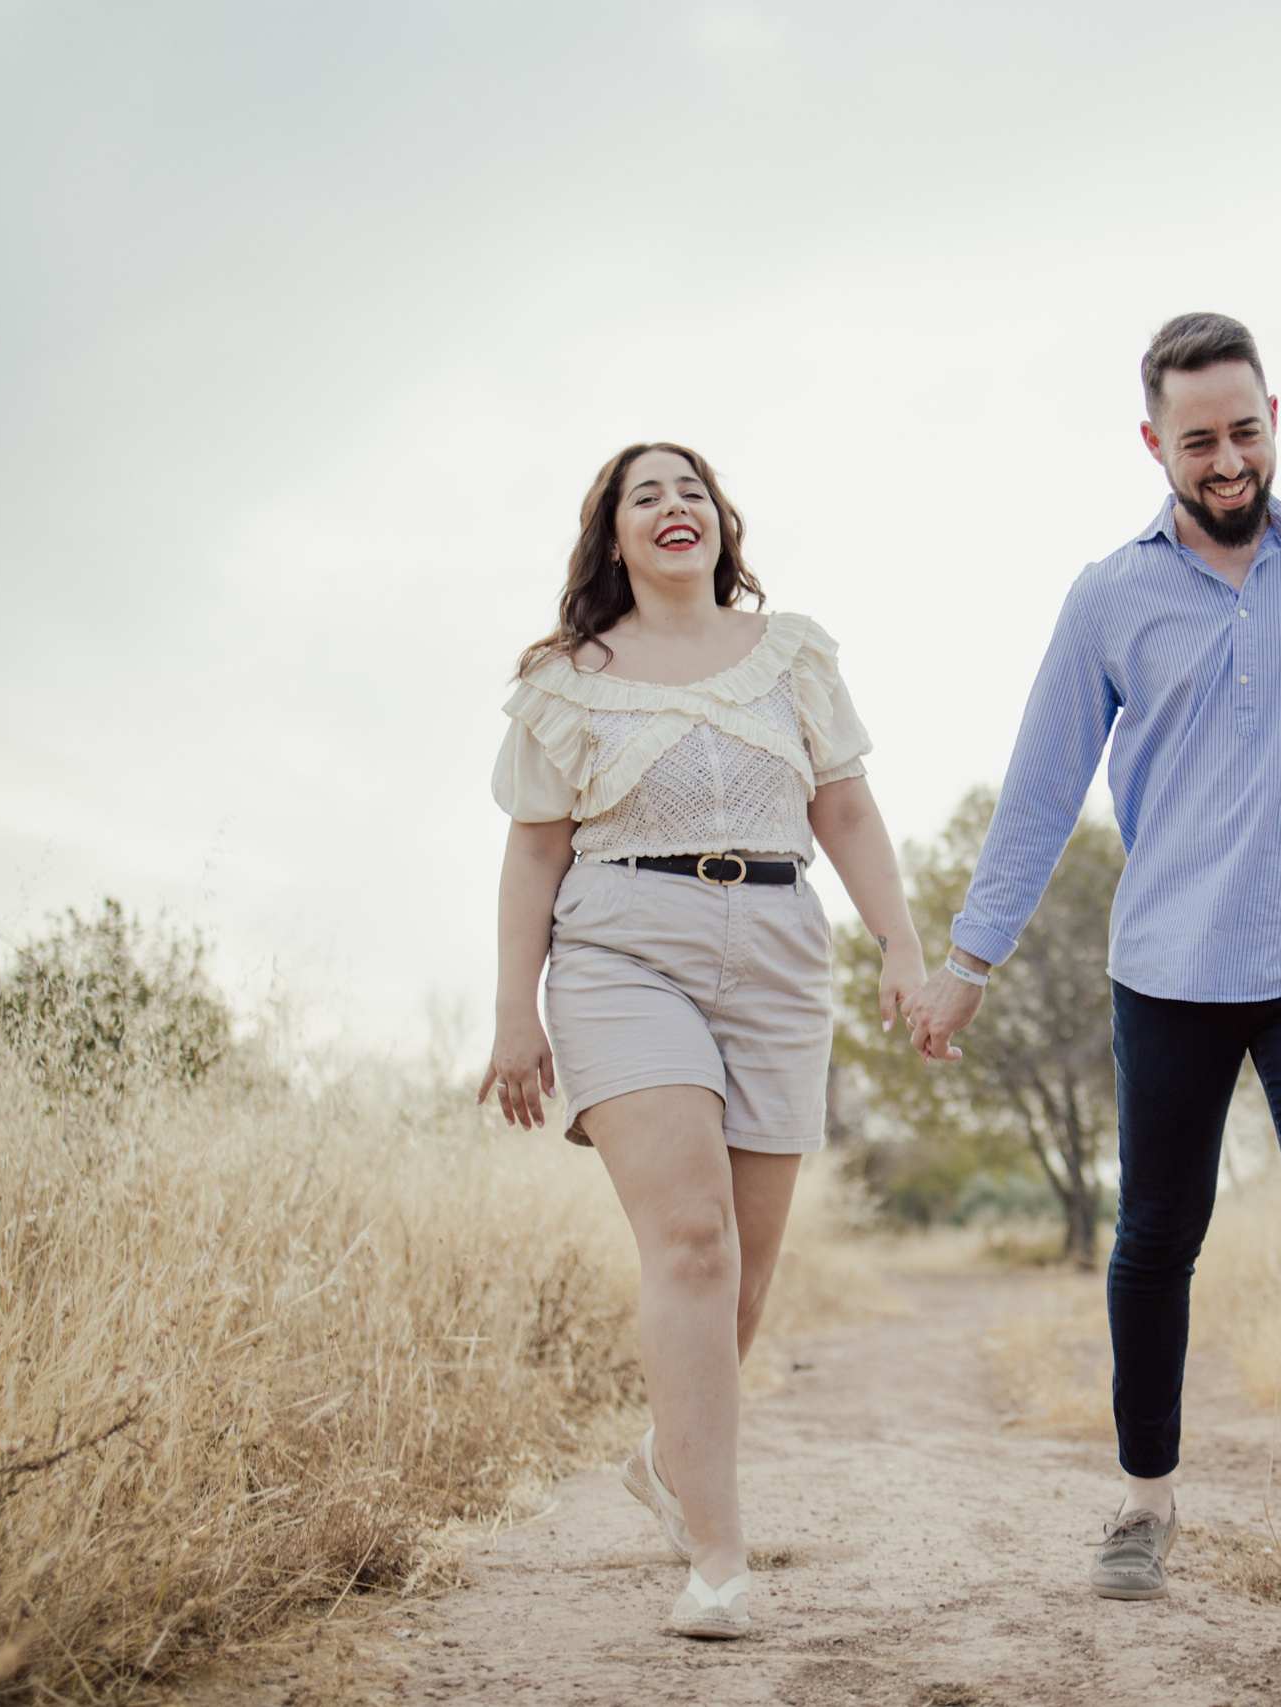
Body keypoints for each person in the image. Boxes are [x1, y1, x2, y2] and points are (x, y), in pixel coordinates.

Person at [900, 314, 1281, 1645]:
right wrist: (968, 961)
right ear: (1154, 444)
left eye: (1246, 430)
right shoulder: (1107, 595)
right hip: (1170, 969)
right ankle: (1145, 1499)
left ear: (1274, 419)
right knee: (1155, 1239)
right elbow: (1043, 787)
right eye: (1199, 439)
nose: (1227, 457)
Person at [481, 441, 922, 1641]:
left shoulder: (794, 655)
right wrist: (515, 1010)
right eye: (645, 496)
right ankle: (717, 1562)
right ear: (612, 538)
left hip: (780, 946)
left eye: (692, 491)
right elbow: (532, 851)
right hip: (625, 943)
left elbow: (845, 806)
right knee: (689, 1238)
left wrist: (902, 943)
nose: (674, 508)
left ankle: (672, 1461)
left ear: (722, 524)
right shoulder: (567, 680)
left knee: (747, 1267)